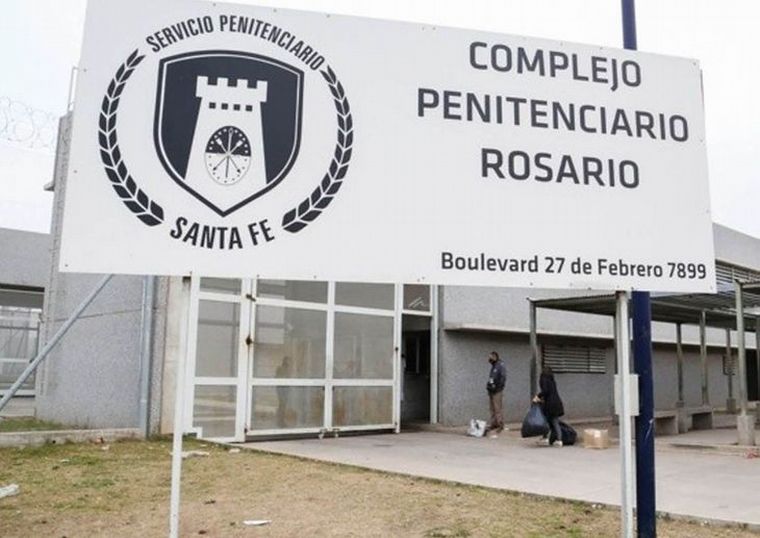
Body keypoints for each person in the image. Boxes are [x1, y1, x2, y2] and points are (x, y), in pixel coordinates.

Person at [534, 366, 565, 447]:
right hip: (556, 403)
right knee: (555, 422)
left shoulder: (544, 379)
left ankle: (545, 438)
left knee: (546, 421)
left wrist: (538, 396)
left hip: (550, 404)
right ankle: (559, 440)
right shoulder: (552, 380)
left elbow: (545, 391)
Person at [485, 351, 506, 437]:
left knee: (497, 408)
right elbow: (492, 378)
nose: (489, 359)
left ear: (495, 357)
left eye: (491, 357)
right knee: (492, 408)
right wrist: (489, 386)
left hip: (497, 390)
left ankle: (500, 424)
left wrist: (498, 387)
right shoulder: (494, 366)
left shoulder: (500, 365)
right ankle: (493, 423)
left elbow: (503, 377)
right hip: (491, 390)